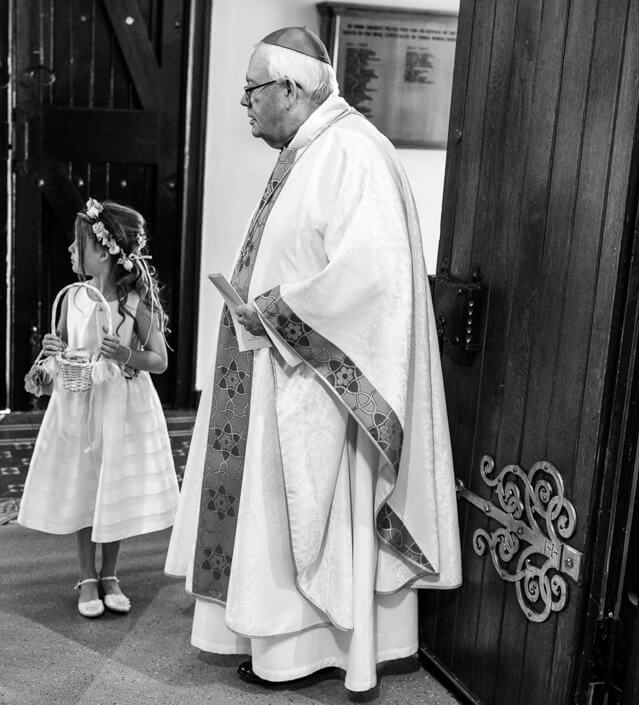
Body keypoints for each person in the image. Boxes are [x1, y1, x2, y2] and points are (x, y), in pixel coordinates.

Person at [164, 26, 462, 701]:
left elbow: (372, 283)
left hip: (323, 392)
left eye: (251, 92)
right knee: (272, 512)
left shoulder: (355, 154)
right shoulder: (308, 150)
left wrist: (272, 312)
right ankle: (275, 644)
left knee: (313, 515)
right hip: (278, 373)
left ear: (291, 90)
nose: (246, 105)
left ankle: (313, 653)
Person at [18, 198, 180, 619]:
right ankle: (86, 575)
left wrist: (126, 354)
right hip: (80, 404)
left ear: (105, 250)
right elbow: (65, 354)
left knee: (111, 488)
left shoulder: (134, 303)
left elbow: (159, 360)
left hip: (120, 409)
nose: (71, 251)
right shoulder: (73, 300)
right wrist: (49, 352)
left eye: (79, 244)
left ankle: (110, 574)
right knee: (84, 487)